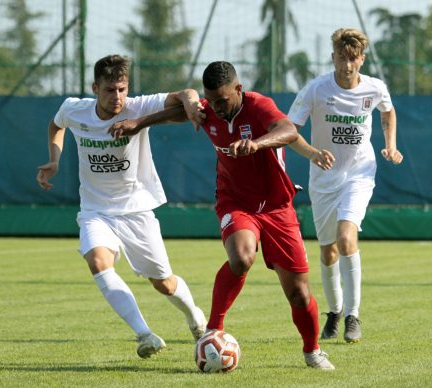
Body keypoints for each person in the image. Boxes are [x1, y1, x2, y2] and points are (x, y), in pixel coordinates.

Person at [109, 61, 335, 370]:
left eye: (223, 100)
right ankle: (213, 328)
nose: (216, 107)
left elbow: (286, 130)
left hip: (277, 206)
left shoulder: (258, 106)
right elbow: (179, 110)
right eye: (211, 101)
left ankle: (312, 351)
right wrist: (140, 123)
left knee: (298, 293)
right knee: (241, 257)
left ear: (239, 90)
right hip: (235, 203)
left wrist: (256, 144)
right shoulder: (210, 109)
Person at [36, 54, 207, 359]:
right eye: (109, 90)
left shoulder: (137, 107)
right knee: (99, 263)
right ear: (95, 88)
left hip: (136, 211)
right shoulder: (75, 110)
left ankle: (194, 315)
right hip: (95, 211)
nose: (117, 97)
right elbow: (54, 124)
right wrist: (54, 159)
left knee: (164, 283)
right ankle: (145, 335)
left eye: (122, 89)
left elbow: (186, 95)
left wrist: (192, 105)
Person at [287, 28, 403, 343]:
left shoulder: (375, 87)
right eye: (342, 57)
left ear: (361, 59)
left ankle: (353, 316)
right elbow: (288, 129)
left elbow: (388, 112)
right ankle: (335, 312)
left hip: (359, 172)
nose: (347, 65)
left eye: (353, 59)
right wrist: (312, 153)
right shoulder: (315, 90)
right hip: (323, 178)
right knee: (327, 251)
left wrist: (390, 146)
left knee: (345, 237)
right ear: (333, 57)